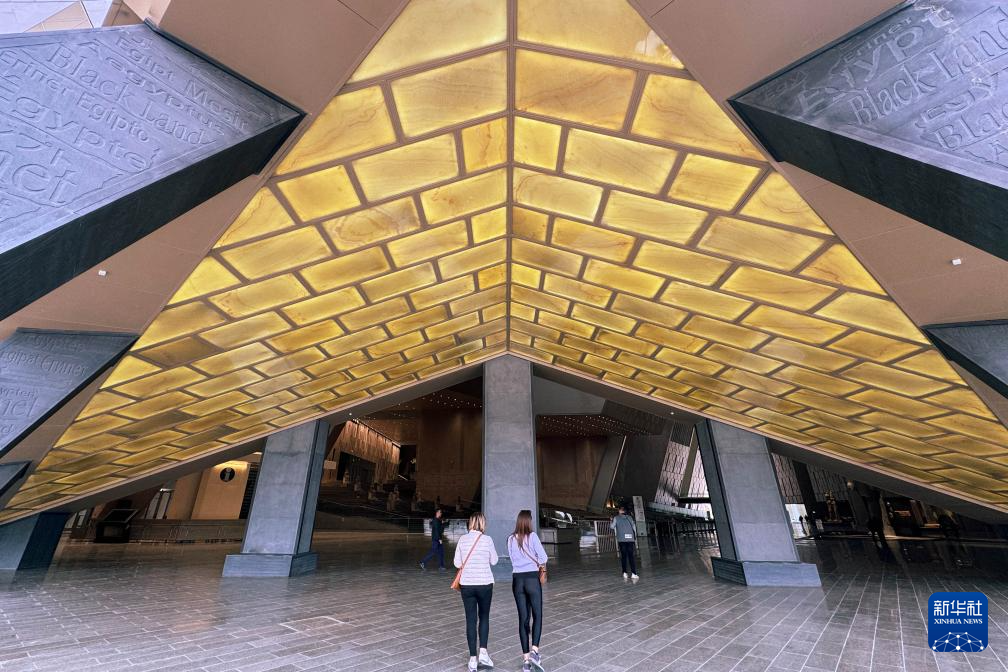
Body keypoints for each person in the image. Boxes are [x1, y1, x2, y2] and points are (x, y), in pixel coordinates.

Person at [454, 512, 498, 671]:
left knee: (470, 620)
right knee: (484, 617)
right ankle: (484, 654)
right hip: (485, 584)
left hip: (467, 585)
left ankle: (473, 659)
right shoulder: (487, 540)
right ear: (482, 523)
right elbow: (494, 561)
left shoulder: (462, 540)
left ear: (470, 523)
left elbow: (457, 563)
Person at [507, 510, 547, 672]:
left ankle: (525, 661)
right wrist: (536, 561)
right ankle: (535, 652)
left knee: (523, 619)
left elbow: (512, 559)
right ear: (528, 522)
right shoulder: (533, 537)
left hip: (517, 581)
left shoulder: (510, 539)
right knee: (537, 615)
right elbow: (543, 558)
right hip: (532, 579)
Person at [610, 505, 639, 580]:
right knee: (631, 556)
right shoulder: (630, 518)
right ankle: (634, 573)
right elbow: (634, 527)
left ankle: (624, 573)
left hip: (622, 540)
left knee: (624, 556)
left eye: (619, 510)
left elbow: (612, 527)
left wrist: (611, 520)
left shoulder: (616, 518)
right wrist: (635, 537)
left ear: (620, 511)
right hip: (630, 540)